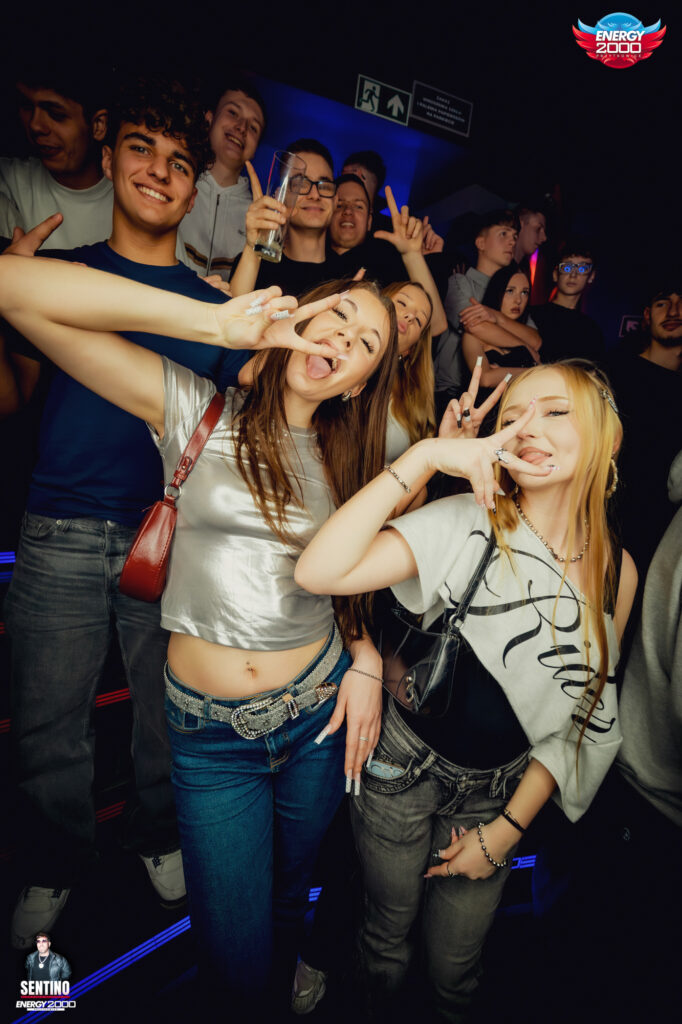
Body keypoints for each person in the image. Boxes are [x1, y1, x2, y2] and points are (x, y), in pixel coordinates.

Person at [0, 255, 398, 1011]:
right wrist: (214, 323)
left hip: (315, 717)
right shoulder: (194, 408)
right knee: (233, 956)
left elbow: (353, 582)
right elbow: (12, 289)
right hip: (211, 738)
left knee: (289, 893)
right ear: (299, 317)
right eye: (339, 317)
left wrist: (365, 653)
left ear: (357, 384)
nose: (346, 340)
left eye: (367, 344)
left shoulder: (352, 458)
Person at [296, 361, 637, 1020]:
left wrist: (507, 831)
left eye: (554, 411)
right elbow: (319, 571)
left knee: (457, 973)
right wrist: (425, 456)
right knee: (385, 944)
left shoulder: (615, 569)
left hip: (500, 794)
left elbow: (585, 714)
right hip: (402, 770)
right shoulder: (466, 519)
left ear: (609, 436)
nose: (527, 428)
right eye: (513, 417)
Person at [4, 75, 243, 950]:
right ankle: (54, 862)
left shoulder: (214, 309)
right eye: (142, 149)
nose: (159, 171)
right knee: (47, 723)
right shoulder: (58, 274)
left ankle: (157, 837)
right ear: (109, 159)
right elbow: (15, 396)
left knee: (163, 719)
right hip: (57, 528)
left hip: (168, 540)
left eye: (179, 161)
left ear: (193, 187)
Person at [606, 279, 682, 575]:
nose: (674, 311)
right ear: (647, 315)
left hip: (666, 541)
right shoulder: (615, 370)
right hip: (610, 526)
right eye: (663, 303)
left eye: (681, 303)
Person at [0, 59, 112, 248]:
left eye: (55, 114)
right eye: (27, 106)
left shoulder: (138, 195)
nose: (35, 125)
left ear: (98, 125)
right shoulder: (8, 182)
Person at [177, 77, 266, 279]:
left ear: (255, 149)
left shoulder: (257, 214)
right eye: (233, 113)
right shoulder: (174, 182)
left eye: (253, 127)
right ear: (209, 118)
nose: (242, 127)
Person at [230, 138, 342, 297]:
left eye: (324, 186)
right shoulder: (254, 263)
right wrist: (252, 250)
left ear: (335, 200)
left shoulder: (349, 275)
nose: (315, 195)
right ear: (280, 196)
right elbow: (232, 311)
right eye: (300, 183)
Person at [460, 262, 541, 393]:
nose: (518, 300)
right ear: (496, 292)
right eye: (510, 291)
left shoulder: (528, 333)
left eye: (524, 292)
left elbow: (537, 343)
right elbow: (486, 379)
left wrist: (502, 373)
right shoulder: (473, 335)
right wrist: (533, 372)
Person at [531, 241, 605, 364]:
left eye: (582, 268)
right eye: (567, 267)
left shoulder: (591, 330)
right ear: (555, 274)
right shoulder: (534, 315)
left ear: (591, 276)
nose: (573, 274)